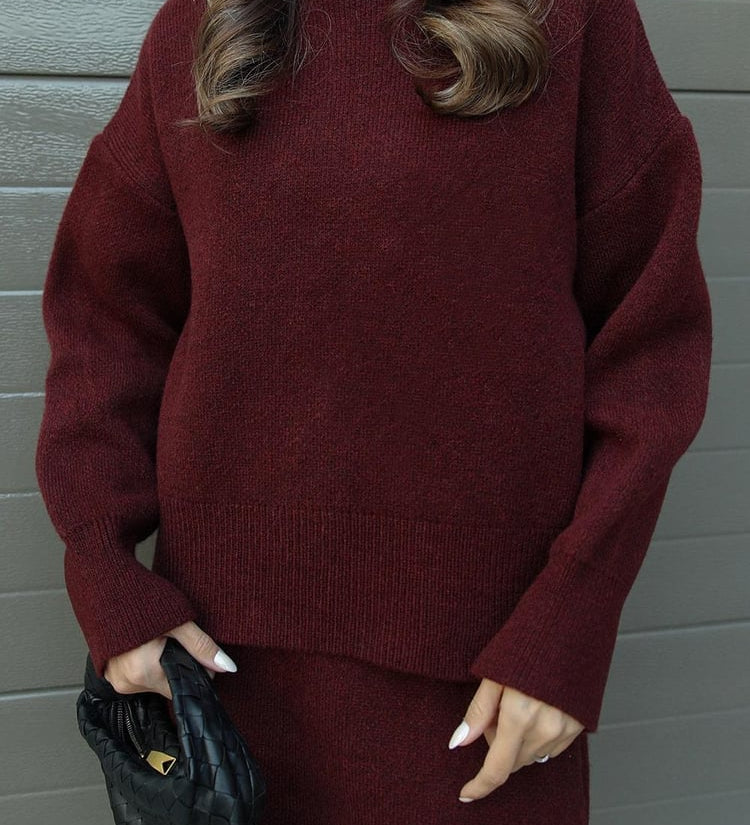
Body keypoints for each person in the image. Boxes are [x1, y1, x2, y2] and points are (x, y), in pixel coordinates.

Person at [35, 0, 712, 822]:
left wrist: (569, 624)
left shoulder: (570, 19)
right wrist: (108, 578)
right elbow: (105, 323)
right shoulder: (202, 24)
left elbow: (651, 354)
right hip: (224, 700)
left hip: (486, 696)